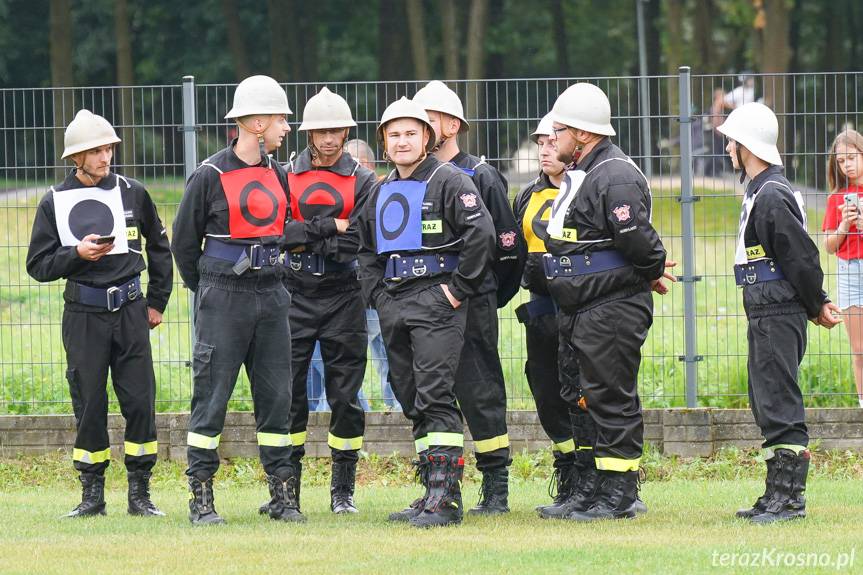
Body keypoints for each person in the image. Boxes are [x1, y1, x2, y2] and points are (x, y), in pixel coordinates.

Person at [173, 75, 320, 525]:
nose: (287, 128)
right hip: (224, 296)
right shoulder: (210, 175)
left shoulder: (279, 174)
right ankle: (201, 498)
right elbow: (183, 244)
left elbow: (285, 228)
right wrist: (210, 289)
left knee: (278, 398)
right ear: (256, 124)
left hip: (272, 293)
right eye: (280, 120)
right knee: (211, 397)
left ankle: (282, 496)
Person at [26, 109, 173, 518]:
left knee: (140, 401)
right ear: (77, 157)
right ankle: (92, 495)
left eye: (108, 148)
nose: (105, 156)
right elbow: (38, 265)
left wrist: (157, 301)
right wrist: (76, 254)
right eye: (95, 151)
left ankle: (140, 494)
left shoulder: (133, 192)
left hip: (130, 311)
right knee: (89, 402)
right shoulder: (54, 201)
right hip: (83, 314)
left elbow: (160, 247)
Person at [357, 97, 495, 527]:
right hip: (394, 301)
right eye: (394, 134)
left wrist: (456, 291)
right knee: (409, 393)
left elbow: (481, 235)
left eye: (411, 133)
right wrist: (378, 296)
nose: (402, 142)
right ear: (384, 142)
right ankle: (431, 488)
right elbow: (365, 249)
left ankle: (446, 498)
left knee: (435, 393)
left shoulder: (450, 180)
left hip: (437, 300)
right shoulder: (379, 190)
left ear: (427, 138)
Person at [544, 83, 675, 522]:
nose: (551, 139)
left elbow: (640, 243)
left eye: (558, 131)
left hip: (610, 308)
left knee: (610, 396)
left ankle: (619, 495)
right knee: (581, 396)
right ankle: (590, 489)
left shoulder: (614, 175)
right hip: (581, 307)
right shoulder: (585, 172)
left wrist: (650, 270)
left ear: (581, 133)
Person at [718, 102, 841, 523]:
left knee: (779, 400)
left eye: (732, 141)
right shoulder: (761, 191)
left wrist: (816, 302)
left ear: (748, 146)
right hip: (765, 310)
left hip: (777, 311)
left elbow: (800, 257)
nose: (728, 148)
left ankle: (789, 500)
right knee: (766, 400)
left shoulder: (771, 194)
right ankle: (775, 494)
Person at [413, 80, 525, 515]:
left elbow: (508, 246)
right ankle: (438, 488)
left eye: (431, 120)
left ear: (454, 125)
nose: (423, 128)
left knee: (481, 391)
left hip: (473, 301)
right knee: (430, 392)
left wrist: (485, 293)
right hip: (427, 303)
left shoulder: (480, 175)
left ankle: (496, 488)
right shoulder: (413, 178)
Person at [281, 87, 377, 514]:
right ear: (308, 133)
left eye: (336, 130)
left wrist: (308, 235)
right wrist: (331, 227)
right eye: (321, 131)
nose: (328, 138)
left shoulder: (363, 179)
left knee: (346, 397)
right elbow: (280, 234)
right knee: (289, 395)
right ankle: (287, 491)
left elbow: (360, 239)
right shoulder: (285, 174)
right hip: (293, 292)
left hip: (344, 294)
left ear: (346, 132)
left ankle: (343, 491)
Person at [512, 114, 590, 514]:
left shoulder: (588, 188)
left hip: (581, 309)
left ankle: (596, 475)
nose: (544, 150)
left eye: (550, 142)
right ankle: (568, 471)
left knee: (583, 391)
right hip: (541, 310)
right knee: (545, 390)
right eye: (539, 143)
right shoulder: (527, 195)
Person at [344, 138, 401, 410]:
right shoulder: (386, 190)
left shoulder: (374, 191)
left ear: (366, 165)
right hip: (381, 292)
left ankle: (359, 414)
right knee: (388, 359)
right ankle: (396, 411)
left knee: (345, 361)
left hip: (366, 293)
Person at [822, 129, 863, 407]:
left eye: (851, 157)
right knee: (859, 349)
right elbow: (828, 245)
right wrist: (845, 225)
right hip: (849, 271)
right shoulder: (837, 199)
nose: (846, 165)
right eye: (840, 161)